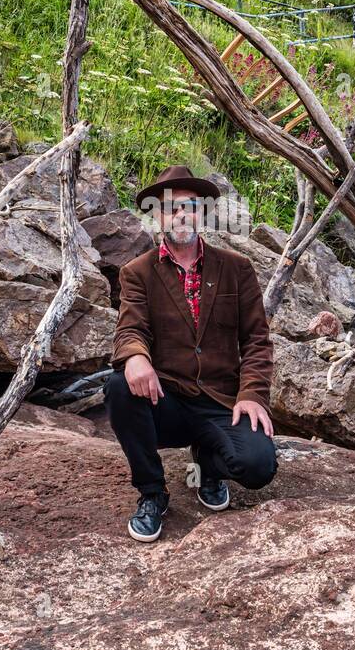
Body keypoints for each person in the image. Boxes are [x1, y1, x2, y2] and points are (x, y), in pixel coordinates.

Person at [106, 165, 277, 542]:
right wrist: (135, 356)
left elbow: (257, 340)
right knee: (118, 385)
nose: (181, 214)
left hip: (221, 401)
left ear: (202, 212)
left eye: (190, 206)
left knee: (258, 465)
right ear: (158, 215)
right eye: (170, 207)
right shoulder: (138, 272)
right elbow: (130, 327)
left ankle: (209, 468)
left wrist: (252, 394)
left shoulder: (238, 268)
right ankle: (153, 493)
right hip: (167, 400)